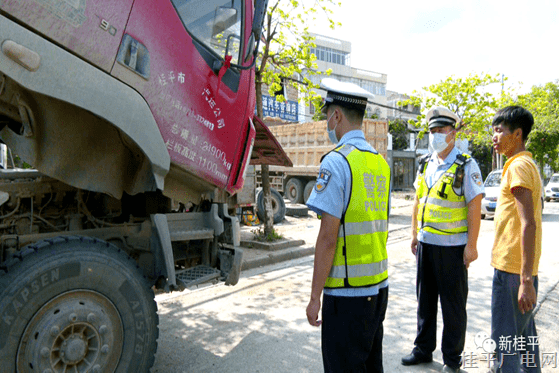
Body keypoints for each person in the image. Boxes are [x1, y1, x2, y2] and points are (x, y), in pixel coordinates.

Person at [305, 78, 391, 373]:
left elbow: (328, 238)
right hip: (378, 289)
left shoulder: (336, 162)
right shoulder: (380, 163)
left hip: (346, 295)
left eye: (327, 114)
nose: (326, 121)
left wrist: (315, 297)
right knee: (370, 366)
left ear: (336, 116)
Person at [402, 106, 484, 373]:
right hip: (426, 244)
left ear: (453, 133)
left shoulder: (466, 164)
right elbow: (419, 200)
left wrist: (471, 245)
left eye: (441, 131)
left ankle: (452, 360)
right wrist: (414, 233)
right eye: (432, 131)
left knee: (453, 307)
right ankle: (423, 349)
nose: (436, 136)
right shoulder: (426, 163)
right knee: (424, 301)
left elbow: (474, 205)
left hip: (453, 248)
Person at [490, 106, 542, 373]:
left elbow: (528, 223)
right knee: (524, 345)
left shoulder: (519, 167)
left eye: (499, 131)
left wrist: (525, 281)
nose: (494, 137)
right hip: (520, 272)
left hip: (512, 272)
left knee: (505, 348)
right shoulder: (524, 164)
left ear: (518, 134)